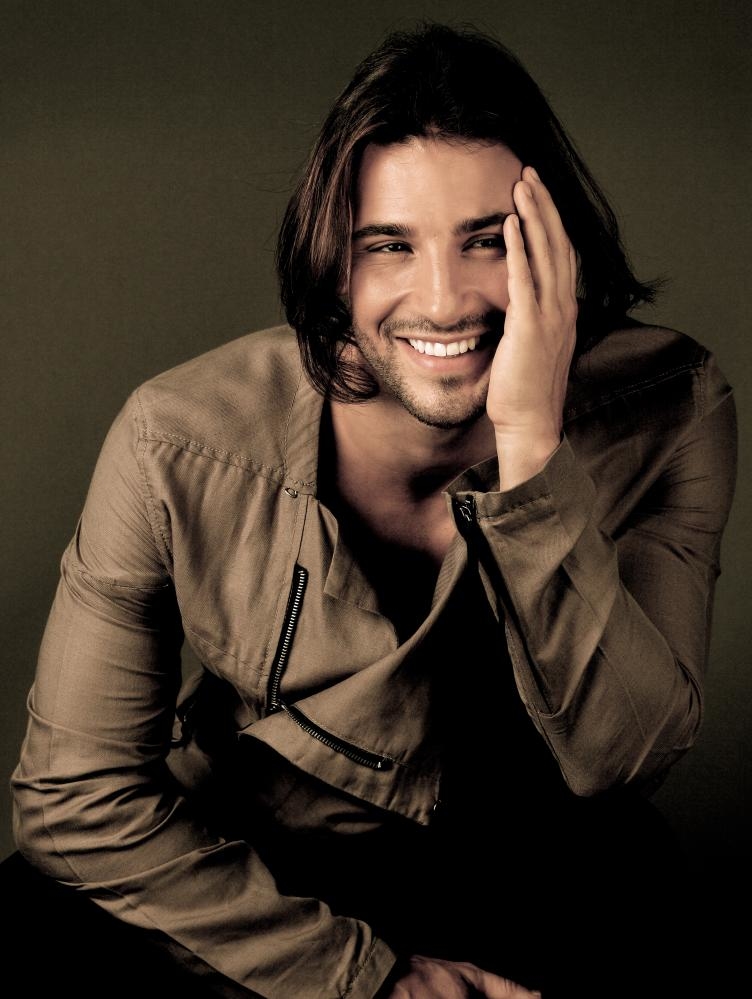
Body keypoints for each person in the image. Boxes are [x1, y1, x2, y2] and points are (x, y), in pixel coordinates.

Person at [7, 21, 738, 999]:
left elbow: (621, 761)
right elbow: (72, 796)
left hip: (525, 861)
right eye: (389, 245)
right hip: (258, 860)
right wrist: (369, 981)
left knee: (646, 902)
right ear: (333, 265)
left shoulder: (670, 404)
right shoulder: (175, 440)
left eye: (488, 242)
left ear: (557, 249)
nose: (444, 301)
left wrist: (531, 447)